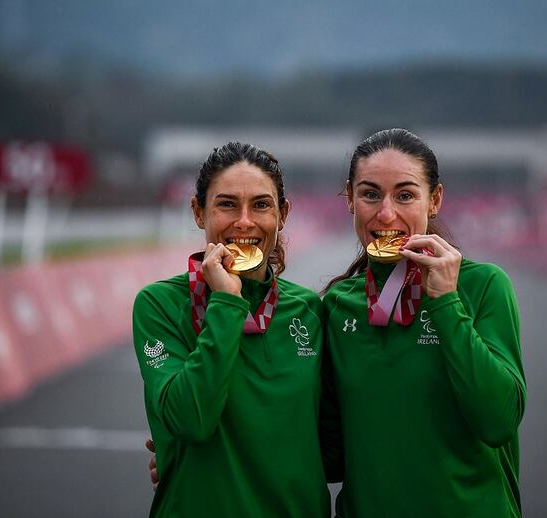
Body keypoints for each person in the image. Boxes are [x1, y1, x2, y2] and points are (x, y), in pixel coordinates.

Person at [321, 128, 526, 517]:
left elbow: (498, 421)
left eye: (405, 195)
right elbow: (328, 453)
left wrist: (447, 303)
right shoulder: (336, 306)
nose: (386, 213)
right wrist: (186, 452)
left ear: (434, 200)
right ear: (349, 198)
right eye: (369, 194)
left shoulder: (482, 286)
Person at [133, 142, 334, 517]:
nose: (244, 222)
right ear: (198, 211)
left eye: (261, 205)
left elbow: (335, 440)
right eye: (226, 204)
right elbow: (192, 422)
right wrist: (226, 302)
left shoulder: (308, 309)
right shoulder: (158, 305)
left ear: (283, 214)